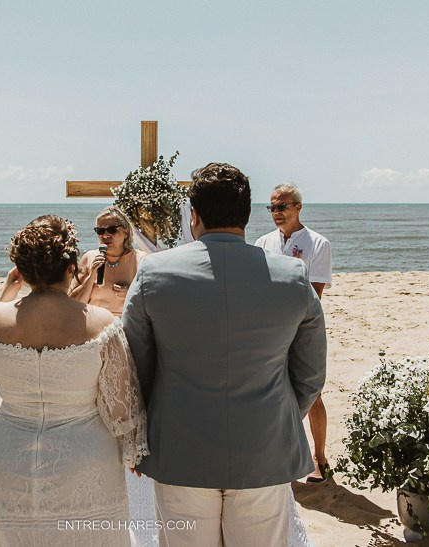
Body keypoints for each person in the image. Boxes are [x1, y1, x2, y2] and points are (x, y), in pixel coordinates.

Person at [122, 163, 326, 546]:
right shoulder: (293, 276)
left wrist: (146, 428)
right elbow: (311, 373)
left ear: (194, 214)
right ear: (246, 215)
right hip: (264, 450)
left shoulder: (153, 274)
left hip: (180, 450)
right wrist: (275, 415)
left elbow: (135, 369)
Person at [0, 215, 148, 546]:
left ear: (22, 269)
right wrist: (133, 449)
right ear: (71, 269)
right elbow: (121, 404)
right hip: (85, 457)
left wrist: (9, 290)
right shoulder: (101, 323)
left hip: (8, 455)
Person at [254, 182, 333, 484]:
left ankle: (319, 456)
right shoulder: (262, 243)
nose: (276, 212)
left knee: (311, 392)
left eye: (282, 206)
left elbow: (315, 294)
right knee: (272, 392)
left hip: (303, 329)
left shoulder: (318, 244)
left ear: (298, 207)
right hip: (268, 330)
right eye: (272, 207)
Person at [70, 206, 148, 316]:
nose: (106, 235)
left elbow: (152, 300)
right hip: (95, 325)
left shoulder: (141, 259)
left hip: (127, 325)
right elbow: (72, 303)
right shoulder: (89, 258)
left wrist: (130, 293)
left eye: (112, 230)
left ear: (126, 232)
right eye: (100, 231)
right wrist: (91, 276)